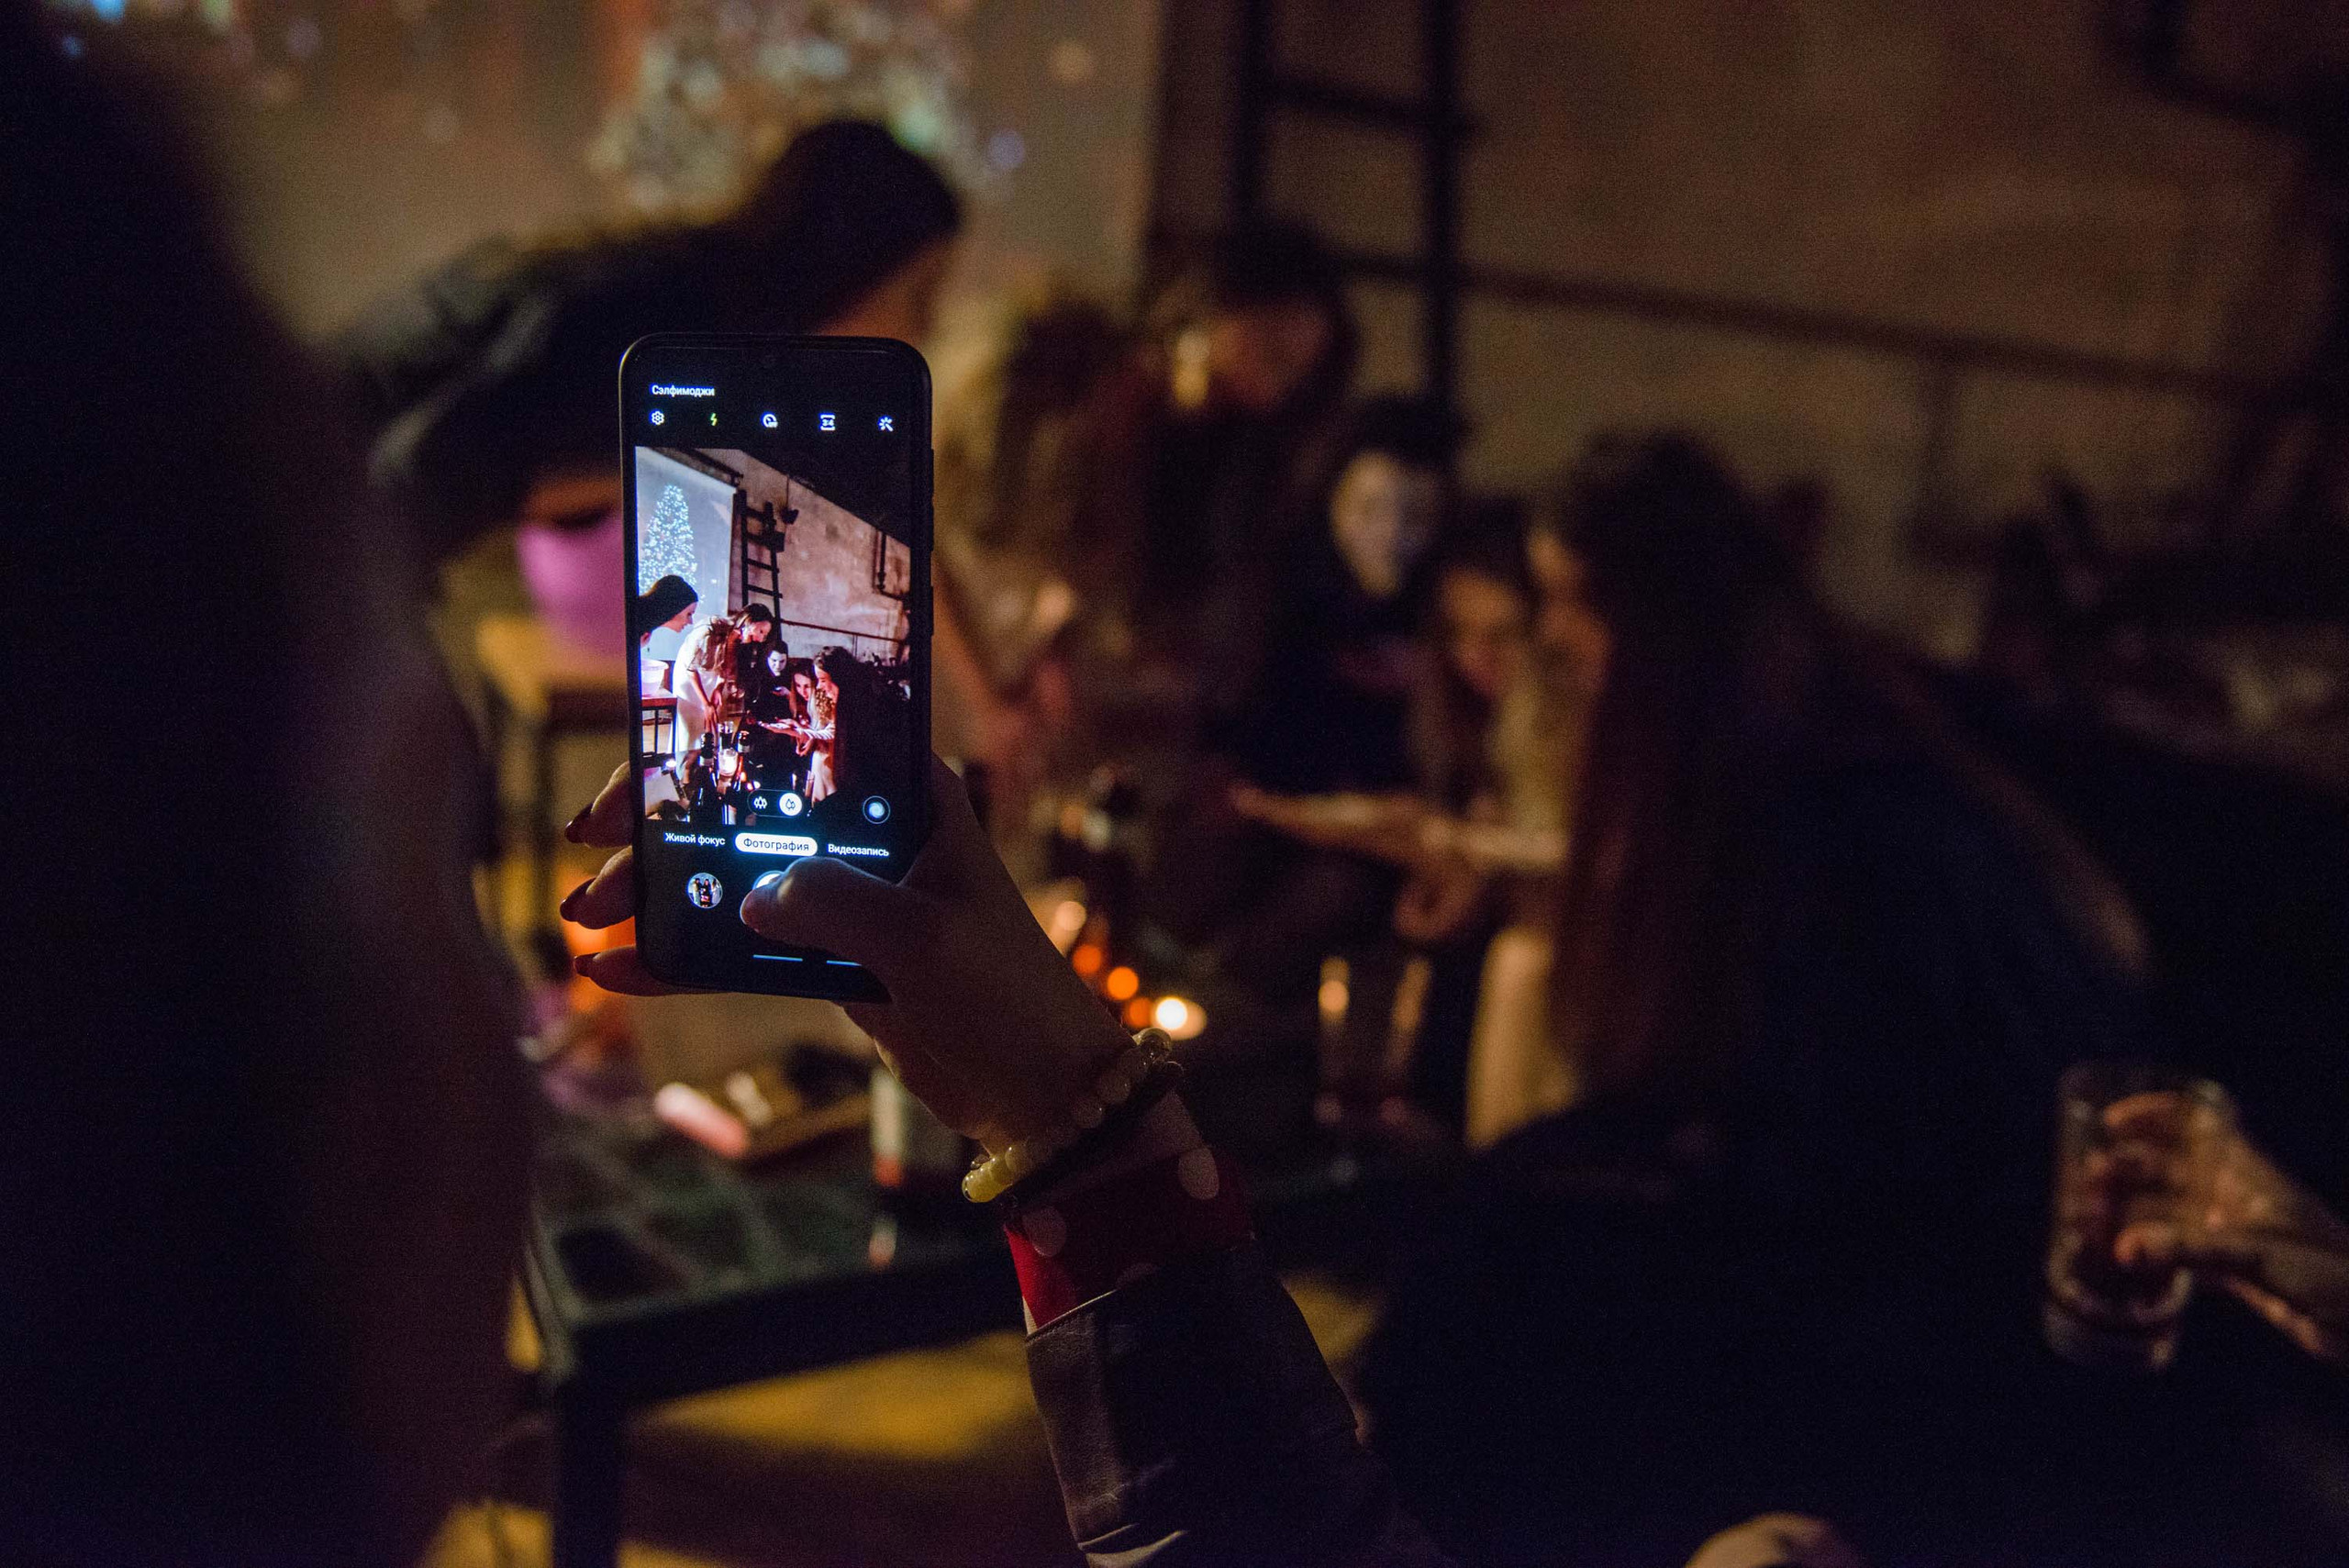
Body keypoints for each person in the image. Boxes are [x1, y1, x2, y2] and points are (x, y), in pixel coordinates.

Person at [337, 118, 963, 562]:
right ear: (854, 263)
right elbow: (420, 471)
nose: (921, 328)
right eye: (918, 293)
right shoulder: (671, 329)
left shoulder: (693, 293)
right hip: (295, 506)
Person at [632, 573, 698, 691]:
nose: (690, 621)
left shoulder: (646, 631)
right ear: (674, 607)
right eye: (689, 614)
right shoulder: (635, 623)